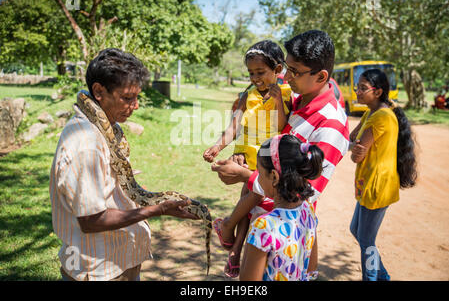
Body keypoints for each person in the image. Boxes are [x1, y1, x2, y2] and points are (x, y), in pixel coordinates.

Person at [211, 30, 349, 280]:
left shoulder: (331, 125)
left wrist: (246, 176)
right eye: (287, 67)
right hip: (262, 220)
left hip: (282, 235)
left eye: (295, 71)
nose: (286, 76)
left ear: (321, 76)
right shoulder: (295, 101)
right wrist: (239, 153)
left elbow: (308, 190)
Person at [49, 48, 198, 281]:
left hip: (118, 261)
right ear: (98, 91)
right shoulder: (85, 143)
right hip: (98, 269)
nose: (135, 106)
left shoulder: (108, 126)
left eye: (137, 97)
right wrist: (157, 209)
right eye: (128, 98)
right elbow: (91, 220)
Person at [203, 40, 292, 277]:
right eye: (251, 73)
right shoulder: (247, 95)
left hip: (270, 161)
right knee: (249, 203)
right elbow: (234, 126)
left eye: (261, 72)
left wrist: (277, 103)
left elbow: (283, 127)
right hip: (248, 157)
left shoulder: (286, 93)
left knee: (252, 197)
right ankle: (235, 253)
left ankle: (229, 229)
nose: (255, 77)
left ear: (278, 70)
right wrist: (218, 146)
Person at [349, 68, 417, 281]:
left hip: (377, 185)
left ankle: (371, 278)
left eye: (362, 88)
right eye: (357, 87)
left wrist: (353, 148)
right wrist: (354, 146)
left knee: (366, 239)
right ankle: (383, 276)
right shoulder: (372, 112)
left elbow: (356, 156)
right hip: (368, 183)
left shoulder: (380, 118)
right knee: (356, 230)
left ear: (377, 92)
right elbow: (352, 138)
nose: (357, 92)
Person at [240, 134, 323, 281]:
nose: (257, 178)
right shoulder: (307, 209)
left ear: (274, 176)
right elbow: (311, 269)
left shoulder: (263, 227)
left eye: (259, 172)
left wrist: (252, 234)